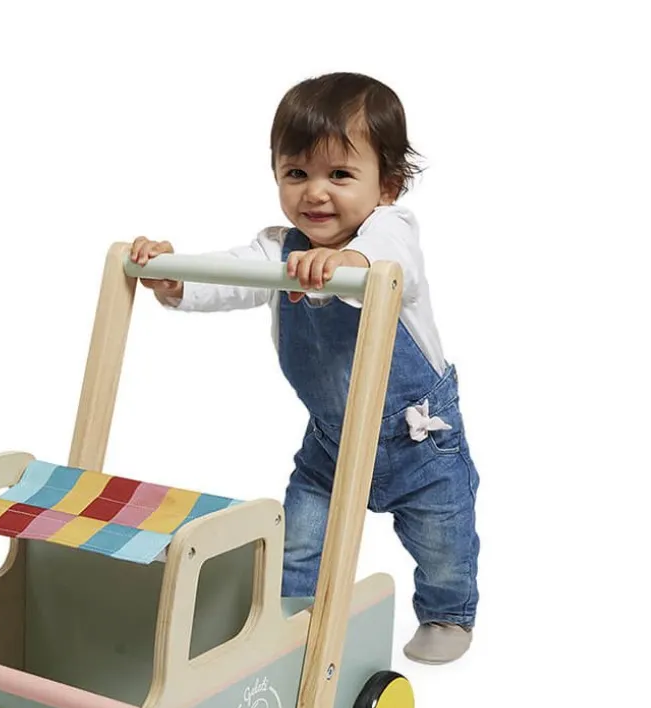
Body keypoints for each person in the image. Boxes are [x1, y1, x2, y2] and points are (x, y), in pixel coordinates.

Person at [130, 72, 480, 665]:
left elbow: (392, 264)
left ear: (387, 185)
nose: (315, 193)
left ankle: (448, 613)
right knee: (297, 539)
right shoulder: (280, 249)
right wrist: (175, 276)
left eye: (339, 175)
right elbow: (232, 276)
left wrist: (348, 261)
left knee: (442, 540)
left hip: (418, 440)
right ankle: (292, 620)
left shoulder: (389, 231)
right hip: (331, 441)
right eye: (296, 173)